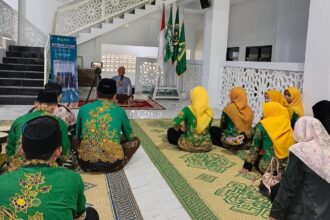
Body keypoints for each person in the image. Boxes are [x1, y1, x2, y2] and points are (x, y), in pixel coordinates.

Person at [0, 116, 99, 220]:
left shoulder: (2, 180)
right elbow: (79, 212)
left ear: (21, 150)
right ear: (58, 151)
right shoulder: (72, 178)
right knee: (91, 214)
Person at [269, 116, 330, 220]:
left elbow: (289, 185)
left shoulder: (301, 151)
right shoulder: (327, 147)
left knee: (279, 189)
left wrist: (275, 213)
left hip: (308, 213)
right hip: (326, 211)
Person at [76, 78, 140, 172]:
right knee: (136, 140)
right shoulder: (119, 110)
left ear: (97, 93)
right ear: (114, 96)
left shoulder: (83, 108)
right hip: (113, 164)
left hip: (85, 163)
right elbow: (129, 136)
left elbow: (78, 136)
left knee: (75, 138)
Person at [6, 90, 70, 170]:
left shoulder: (19, 120)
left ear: (36, 104)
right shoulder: (60, 123)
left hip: (18, 168)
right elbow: (65, 154)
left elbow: (10, 149)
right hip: (47, 169)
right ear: (55, 106)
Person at [242, 102, 295, 173]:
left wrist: (247, 165)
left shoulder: (262, 125)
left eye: (264, 111)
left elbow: (254, 149)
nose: (262, 113)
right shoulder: (286, 124)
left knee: (259, 161)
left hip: (271, 167)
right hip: (288, 166)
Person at [167, 86, 213, 152]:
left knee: (171, 131)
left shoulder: (188, 110)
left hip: (190, 144)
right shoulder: (209, 112)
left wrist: (180, 127)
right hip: (206, 145)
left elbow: (175, 122)